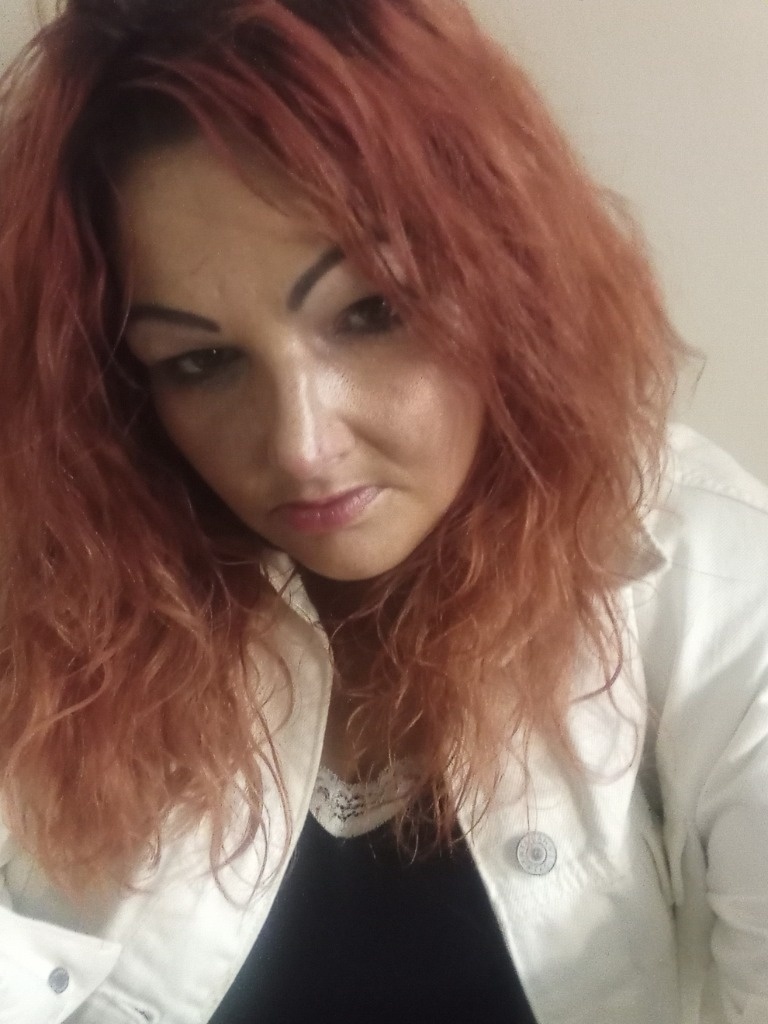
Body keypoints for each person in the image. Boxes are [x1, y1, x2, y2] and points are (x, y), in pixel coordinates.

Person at [0, 0, 766, 1021]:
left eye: (373, 313)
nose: (301, 445)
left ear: (509, 281)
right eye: (201, 360)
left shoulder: (705, 581)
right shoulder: (59, 590)